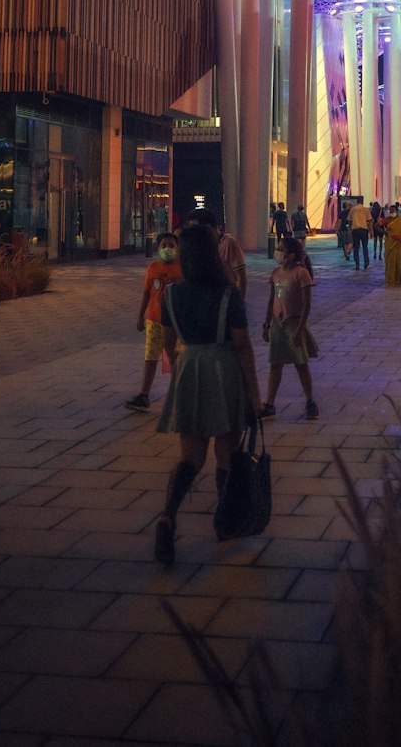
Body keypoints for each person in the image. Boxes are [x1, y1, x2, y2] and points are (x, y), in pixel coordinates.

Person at [152, 223, 261, 566]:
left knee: (190, 457)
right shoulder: (228, 294)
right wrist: (255, 396)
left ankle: (168, 515)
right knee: (227, 452)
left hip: (190, 369)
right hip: (223, 370)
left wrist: (182, 363)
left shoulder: (170, 294)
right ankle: (224, 522)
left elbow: (168, 341)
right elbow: (242, 346)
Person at [261, 236, 319, 419]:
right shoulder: (276, 273)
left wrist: (300, 328)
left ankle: (310, 401)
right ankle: (269, 403)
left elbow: (306, 304)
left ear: (292, 254)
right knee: (275, 364)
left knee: (301, 364)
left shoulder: (301, 273)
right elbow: (273, 299)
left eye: (281, 249)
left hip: (294, 323)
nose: (278, 252)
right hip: (278, 324)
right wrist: (266, 324)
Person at [125, 233, 182, 411]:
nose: (168, 249)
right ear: (158, 248)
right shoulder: (152, 268)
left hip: (175, 322)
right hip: (154, 320)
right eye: (164, 245)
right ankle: (144, 394)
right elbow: (146, 293)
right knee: (150, 357)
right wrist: (140, 316)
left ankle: (179, 396)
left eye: (171, 245)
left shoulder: (182, 269)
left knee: (175, 358)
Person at [186, 207, 247, 300]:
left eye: (196, 229)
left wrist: (238, 301)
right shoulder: (200, 244)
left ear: (208, 227)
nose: (194, 233)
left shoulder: (228, 243)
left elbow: (241, 277)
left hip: (225, 297)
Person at [383, 205, 401, 286]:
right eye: (390, 210)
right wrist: (386, 233)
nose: (391, 211)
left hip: (400, 243)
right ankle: (390, 279)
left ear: (397, 211)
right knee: (390, 262)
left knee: (399, 261)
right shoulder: (387, 220)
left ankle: (399, 279)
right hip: (390, 243)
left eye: (393, 210)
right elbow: (376, 226)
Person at [348, 197, 372, 270]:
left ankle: (357, 264)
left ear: (357, 201)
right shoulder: (366, 209)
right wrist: (371, 232)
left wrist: (350, 229)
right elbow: (369, 221)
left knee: (356, 248)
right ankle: (366, 263)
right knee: (365, 247)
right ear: (362, 201)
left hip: (355, 230)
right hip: (364, 230)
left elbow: (349, 220)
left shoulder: (353, 209)